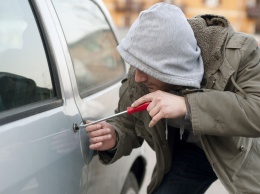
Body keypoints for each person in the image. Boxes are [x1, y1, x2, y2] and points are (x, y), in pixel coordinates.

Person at [86, 3, 260, 194]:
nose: (138, 77)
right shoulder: (140, 73)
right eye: (136, 66)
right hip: (192, 153)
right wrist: (115, 135)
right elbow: (128, 122)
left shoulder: (241, 53)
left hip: (241, 151)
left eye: (147, 69)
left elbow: (256, 111)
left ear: (173, 66)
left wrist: (188, 105)